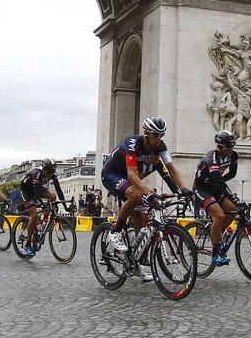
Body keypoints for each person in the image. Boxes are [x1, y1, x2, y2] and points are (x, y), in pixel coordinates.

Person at [99, 117, 193, 280]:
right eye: (156, 135)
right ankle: (114, 232)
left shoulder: (160, 148)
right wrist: (147, 191)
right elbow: (132, 174)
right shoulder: (132, 144)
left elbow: (170, 170)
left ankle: (138, 260)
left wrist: (183, 190)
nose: (159, 139)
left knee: (142, 217)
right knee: (136, 194)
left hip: (130, 179)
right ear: (146, 133)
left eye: (161, 135)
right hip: (113, 175)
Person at [193, 130, 242, 267]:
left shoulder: (233, 155)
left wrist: (221, 184)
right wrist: (229, 193)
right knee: (219, 216)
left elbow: (232, 174)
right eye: (228, 147)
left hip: (214, 187)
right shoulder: (211, 157)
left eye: (232, 146)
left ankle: (217, 234)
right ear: (219, 147)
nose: (231, 150)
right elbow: (217, 179)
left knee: (233, 209)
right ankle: (216, 254)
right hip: (201, 188)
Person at [17, 158, 68, 256]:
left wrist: (65, 206)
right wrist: (41, 205)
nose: (50, 175)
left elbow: (59, 191)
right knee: (34, 215)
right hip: (27, 190)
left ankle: (43, 223)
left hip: (38, 187)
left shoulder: (52, 174)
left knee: (53, 197)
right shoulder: (37, 173)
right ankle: (28, 244)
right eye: (48, 172)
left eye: (52, 172)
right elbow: (36, 196)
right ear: (43, 169)